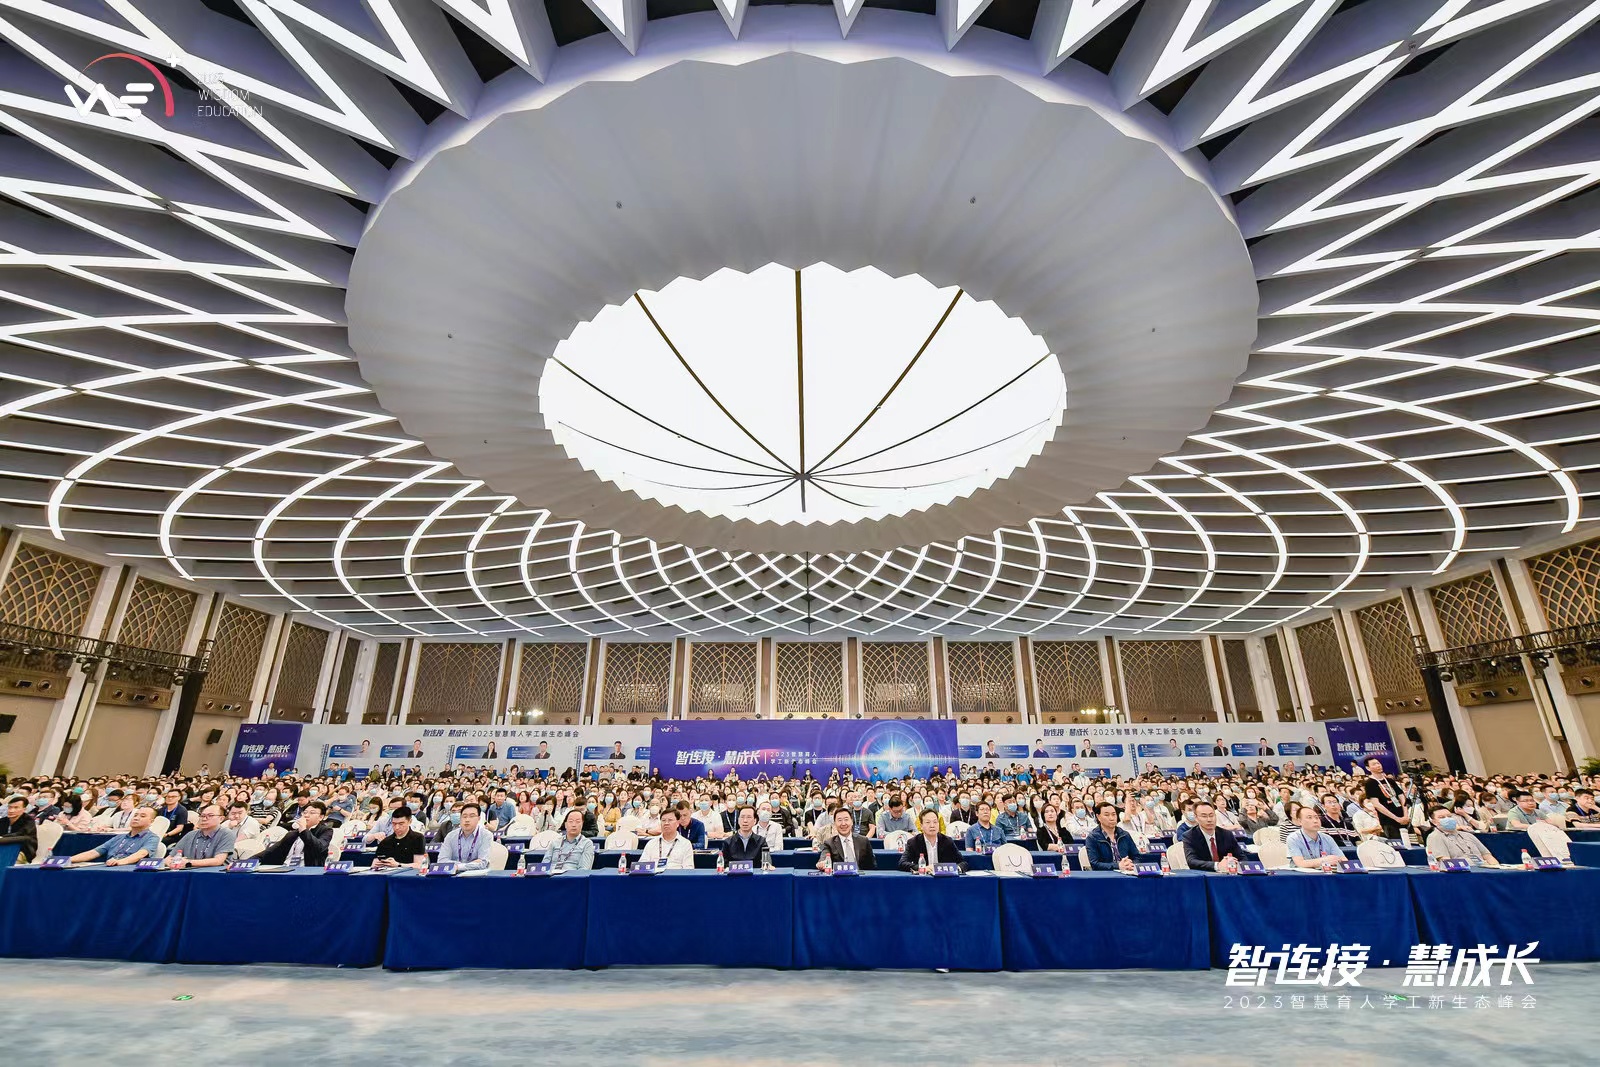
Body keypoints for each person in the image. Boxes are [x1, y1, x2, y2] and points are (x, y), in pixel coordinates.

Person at [69, 806, 161, 866]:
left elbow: (141, 854)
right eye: (135, 815)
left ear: (151, 821)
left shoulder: (152, 838)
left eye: (143, 816)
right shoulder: (119, 837)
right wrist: (69, 860)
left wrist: (119, 862)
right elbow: (94, 852)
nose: (136, 818)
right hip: (109, 867)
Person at [254, 800, 334, 867]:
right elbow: (271, 850)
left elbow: (319, 847)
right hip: (285, 868)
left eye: (312, 813)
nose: (306, 815)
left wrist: (303, 830)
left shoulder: (326, 831)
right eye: (305, 812)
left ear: (321, 817)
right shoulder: (293, 833)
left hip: (308, 870)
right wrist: (251, 860)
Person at [1182, 801, 1248, 872]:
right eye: (1204, 816)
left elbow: (1242, 858)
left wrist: (1234, 862)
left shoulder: (1227, 834)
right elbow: (1191, 861)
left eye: (1211, 815)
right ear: (1196, 817)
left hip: (1227, 874)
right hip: (1205, 874)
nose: (1209, 819)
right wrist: (1217, 865)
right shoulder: (1190, 836)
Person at [1423, 806, 1498, 868]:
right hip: (1463, 872)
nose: (1447, 819)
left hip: (1485, 869)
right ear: (1434, 822)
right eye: (1442, 817)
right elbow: (1446, 862)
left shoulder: (1468, 835)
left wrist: (1497, 869)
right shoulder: (1435, 837)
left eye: (1449, 816)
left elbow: (1487, 856)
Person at [166, 804, 236, 868]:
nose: (204, 819)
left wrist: (188, 862)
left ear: (221, 819)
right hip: (189, 872)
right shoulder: (190, 835)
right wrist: (171, 863)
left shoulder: (226, 834)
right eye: (202, 816)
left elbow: (218, 861)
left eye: (210, 816)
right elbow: (168, 858)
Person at [898, 807, 966, 872]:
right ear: (921, 826)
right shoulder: (914, 842)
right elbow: (902, 863)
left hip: (943, 878)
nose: (932, 825)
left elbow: (963, 862)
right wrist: (922, 868)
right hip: (923, 878)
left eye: (935, 822)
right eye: (928, 822)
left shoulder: (947, 841)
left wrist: (956, 868)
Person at [1285, 804, 1345, 870]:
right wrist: (1324, 860)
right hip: (1302, 874)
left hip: (1325, 873)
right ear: (1300, 821)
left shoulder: (1327, 838)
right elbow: (1300, 863)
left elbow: (1343, 859)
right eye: (1309, 817)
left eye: (1317, 817)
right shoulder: (1293, 838)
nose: (1315, 821)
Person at [438, 802, 494, 870]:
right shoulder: (451, 836)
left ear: (479, 819)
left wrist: (459, 867)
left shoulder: (486, 835)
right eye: (464, 816)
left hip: (476, 874)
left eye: (472, 816)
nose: (467, 820)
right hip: (454, 874)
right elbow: (442, 860)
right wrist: (467, 865)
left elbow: (482, 862)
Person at [1085, 801, 1138, 872]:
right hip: (1106, 875)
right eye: (1107, 815)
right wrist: (1118, 866)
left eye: (1114, 814)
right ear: (1098, 817)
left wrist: (1130, 864)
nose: (1111, 818)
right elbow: (1095, 864)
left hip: (1127, 872)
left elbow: (1137, 857)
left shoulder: (1124, 835)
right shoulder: (1092, 838)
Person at [0, 795, 39, 863]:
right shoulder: (3, 821)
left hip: (23, 850)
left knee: (5, 859)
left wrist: (2, 838)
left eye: (16, 807)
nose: (11, 810)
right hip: (3, 848)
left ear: (24, 809)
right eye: (10, 807)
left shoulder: (28, 821)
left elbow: (23, 836)